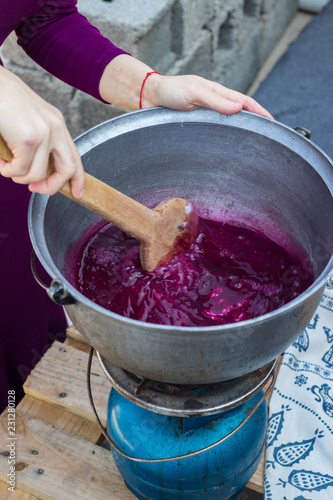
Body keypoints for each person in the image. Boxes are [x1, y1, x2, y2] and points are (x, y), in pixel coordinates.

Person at [0, 0, 273, 413]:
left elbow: (43, 16)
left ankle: (22, 419)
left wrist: (149, 87)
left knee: (21, 318)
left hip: (10, 164)